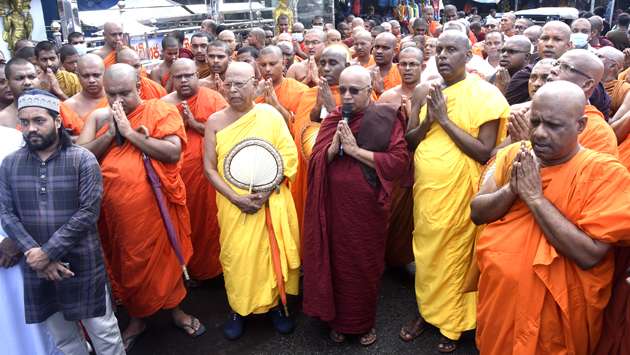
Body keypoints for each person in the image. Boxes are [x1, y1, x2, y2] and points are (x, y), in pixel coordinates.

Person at [471, 80, 630, 355]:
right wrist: (513, 187)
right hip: (501, 302)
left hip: (557, 316)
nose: (540, 134)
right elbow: (477, 212)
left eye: (553, 125)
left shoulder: (603, 172)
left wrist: (534, 198)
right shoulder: (514, 155)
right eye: (535, 122)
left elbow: (590, 254)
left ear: (580, 126)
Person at [77, 64, 204, 350]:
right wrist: (112, 133)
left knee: (168, 258)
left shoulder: (160, 111)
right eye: (112, 94)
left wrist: (131, 134)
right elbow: (80, 156)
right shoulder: (99, 117)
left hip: (157, 211)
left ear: (139, 87)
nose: (118, 101)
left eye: (125, 93)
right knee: (128, 263)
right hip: (117, 214)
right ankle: (137, 318)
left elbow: (172, 152)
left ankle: (176, 311)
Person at [401, 30, 510, 353]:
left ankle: (452, 323)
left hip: (461, 193)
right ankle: (426, 311)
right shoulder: (425, 91)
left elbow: (484, 152)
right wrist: (428, 121)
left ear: (468, 56)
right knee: (426, 251)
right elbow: (410, 140)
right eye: (439, 49)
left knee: (455, 257)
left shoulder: (485, 95)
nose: (444, 55)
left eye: (452, 50)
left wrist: (445, 121)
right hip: (428, 191)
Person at [0, 88, 125, 355]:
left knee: (104, 333)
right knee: (64, 339)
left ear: (57, 121)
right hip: (37, 267)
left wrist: (47, 252)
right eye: (25, 122)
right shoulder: (10, 164)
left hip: (82, 261)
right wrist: (36, 255)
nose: (31, 128)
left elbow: (87, 213)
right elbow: (6, 213)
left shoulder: (82, 159)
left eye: (39, 120)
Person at [303, 64, 409, 346]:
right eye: (343, 90)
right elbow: (314, 163)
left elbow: (398, 163)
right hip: (334, 209)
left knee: (363, 267)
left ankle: (362, 324)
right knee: (337, 265)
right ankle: (337, 321)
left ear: (369, 91)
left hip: (367, 211)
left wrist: (354, 151)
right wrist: (333, 147)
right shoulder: (333, 119)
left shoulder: (386, 118)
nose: (347, 97)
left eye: (354, 91)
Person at [203, 62, 299, 340]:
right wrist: (236, 198)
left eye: (239, 84)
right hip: (234, 204)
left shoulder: (269, 115)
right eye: (228, 84)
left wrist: (266, 192)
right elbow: (209, 168)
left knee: (272, 257)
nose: (232, 90)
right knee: (237, 258)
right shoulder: (215, 121)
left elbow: (288, 156)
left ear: (255, 83)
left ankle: (275, 307)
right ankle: (239, 309)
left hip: (268, 199)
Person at [162, 59, 227, 283]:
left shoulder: (214, 99)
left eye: (189, 75)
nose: (184, 80)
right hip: (181, 179)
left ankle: (220, 269)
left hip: (214, 176)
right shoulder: (163, 105)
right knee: (190, 224)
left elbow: (227, 134)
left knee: (215, 223)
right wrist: (179, 124)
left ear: (197, 76)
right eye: (178, 77)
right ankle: (193, 270)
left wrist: (194, 123)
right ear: (171, 79)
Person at [0, 124, 57, 355]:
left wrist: (18, 239)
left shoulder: (13, 138)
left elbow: (40, 189)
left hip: (26, 244)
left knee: (38, 324)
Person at [292, 45, 350, 231]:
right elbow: (302, 133)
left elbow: (355, 133)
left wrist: (331, 106)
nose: (325, 68)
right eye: (322, 63)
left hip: (343, 170)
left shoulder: (355, 93)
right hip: (314, 166)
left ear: (346, 66)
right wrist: (318, 105)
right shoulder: (310, 94)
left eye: (333, 63)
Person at [377, 46, 423, 267]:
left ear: (422, 66)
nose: (407, 68)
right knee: (392, 213)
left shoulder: (433, 93)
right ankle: (389, 257)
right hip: (396, 166)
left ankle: (411, 258)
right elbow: (377, 134)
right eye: (403, 64)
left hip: (423, 163)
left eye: (413, 64)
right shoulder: (388, 96)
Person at [547, 49, 618, 157]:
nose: (554, 70)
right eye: (556, 64)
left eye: (566, 67)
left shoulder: (598, 133)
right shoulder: (530, 112)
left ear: (587, 85)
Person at [505, 21, 572, 105]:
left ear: (569, 46)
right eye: (545, 38)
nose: (549, 44)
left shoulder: (575, 75)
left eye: (557, 39)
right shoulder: (524, 75)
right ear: (538, 43)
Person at [255, 46, 308, 126]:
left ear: (283, 64)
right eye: (263, 65)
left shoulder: (300, 90)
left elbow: (299, 126)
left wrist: (276, 106)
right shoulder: (252, 91)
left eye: (272, 64)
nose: (267, 69)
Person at [60, 54, 108, 135]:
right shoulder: (68, 106)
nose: (91, 80)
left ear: (104, 74)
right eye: (86, 76)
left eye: (96, 75)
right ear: (78, 76)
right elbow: (64, 140)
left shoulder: (117, 98)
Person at [0, 58, 39, 128]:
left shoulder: (53, 109)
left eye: (31, 77)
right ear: (8, 83)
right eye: (20, 78)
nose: (27, 82)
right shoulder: (2, 121)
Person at [598, 46, 630, 120]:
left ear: (613, 66)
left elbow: (617, 122)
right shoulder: (586, 82)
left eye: (599, 56)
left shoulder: (625, 90)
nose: (594, 58)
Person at [370, 32, 400, 97]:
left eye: (385, 48)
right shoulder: (364, 74)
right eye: (377, 47)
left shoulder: (401, 72)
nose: (379, 51)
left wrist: (382, 91)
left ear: (395, 51)